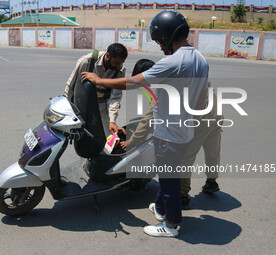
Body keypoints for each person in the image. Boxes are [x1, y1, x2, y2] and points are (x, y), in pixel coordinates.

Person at [82, 10, 209, 237]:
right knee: (168, 174)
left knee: (169, 181)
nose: (160, 46)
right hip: (184, 131)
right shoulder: (200, 59)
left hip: (169, 134)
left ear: (167, 36)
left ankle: (170, 225)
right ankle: (161, 209)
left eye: (159, 40)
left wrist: (100, 80)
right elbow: (199, 100)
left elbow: (132, 82)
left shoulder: (173, 61)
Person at [120, 87, 223, 210]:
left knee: (186, 157)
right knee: (213, 151)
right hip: (216, 109)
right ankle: (212, 181)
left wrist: (132, 140)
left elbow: (149, 119)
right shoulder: (182, 71)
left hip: (200, 118)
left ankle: (182, 196)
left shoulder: (162, 86)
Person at [64, 43, 128, 136]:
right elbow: (70, 86)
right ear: (107, 56)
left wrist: (112, 120)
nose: (118, 66)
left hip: (101, 103)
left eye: (121, 63)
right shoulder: (87, 61)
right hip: (82, 102)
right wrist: (68, 110)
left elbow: (115, 97)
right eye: (117, 63)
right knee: (80, 133)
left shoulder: (120, 70)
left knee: (108, 135)